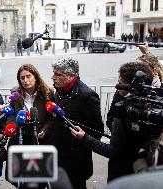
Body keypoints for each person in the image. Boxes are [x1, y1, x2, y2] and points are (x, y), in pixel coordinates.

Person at [70, 61, 154, 182]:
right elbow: (111, 116)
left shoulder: (147, 107)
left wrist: (84, 138)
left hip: (126, 172)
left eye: (121, 83)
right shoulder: (120, 97)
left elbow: (112, 151)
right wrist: (117, 130)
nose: (117, 86)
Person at [50, 57, 104, 189]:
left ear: (71, 76)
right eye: (53, 73)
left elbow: (97, 131)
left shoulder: (87, 95)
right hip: (57, 156)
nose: (53, 77)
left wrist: (80, 140)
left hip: (76, 161)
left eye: (58, 74)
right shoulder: (59, 90)